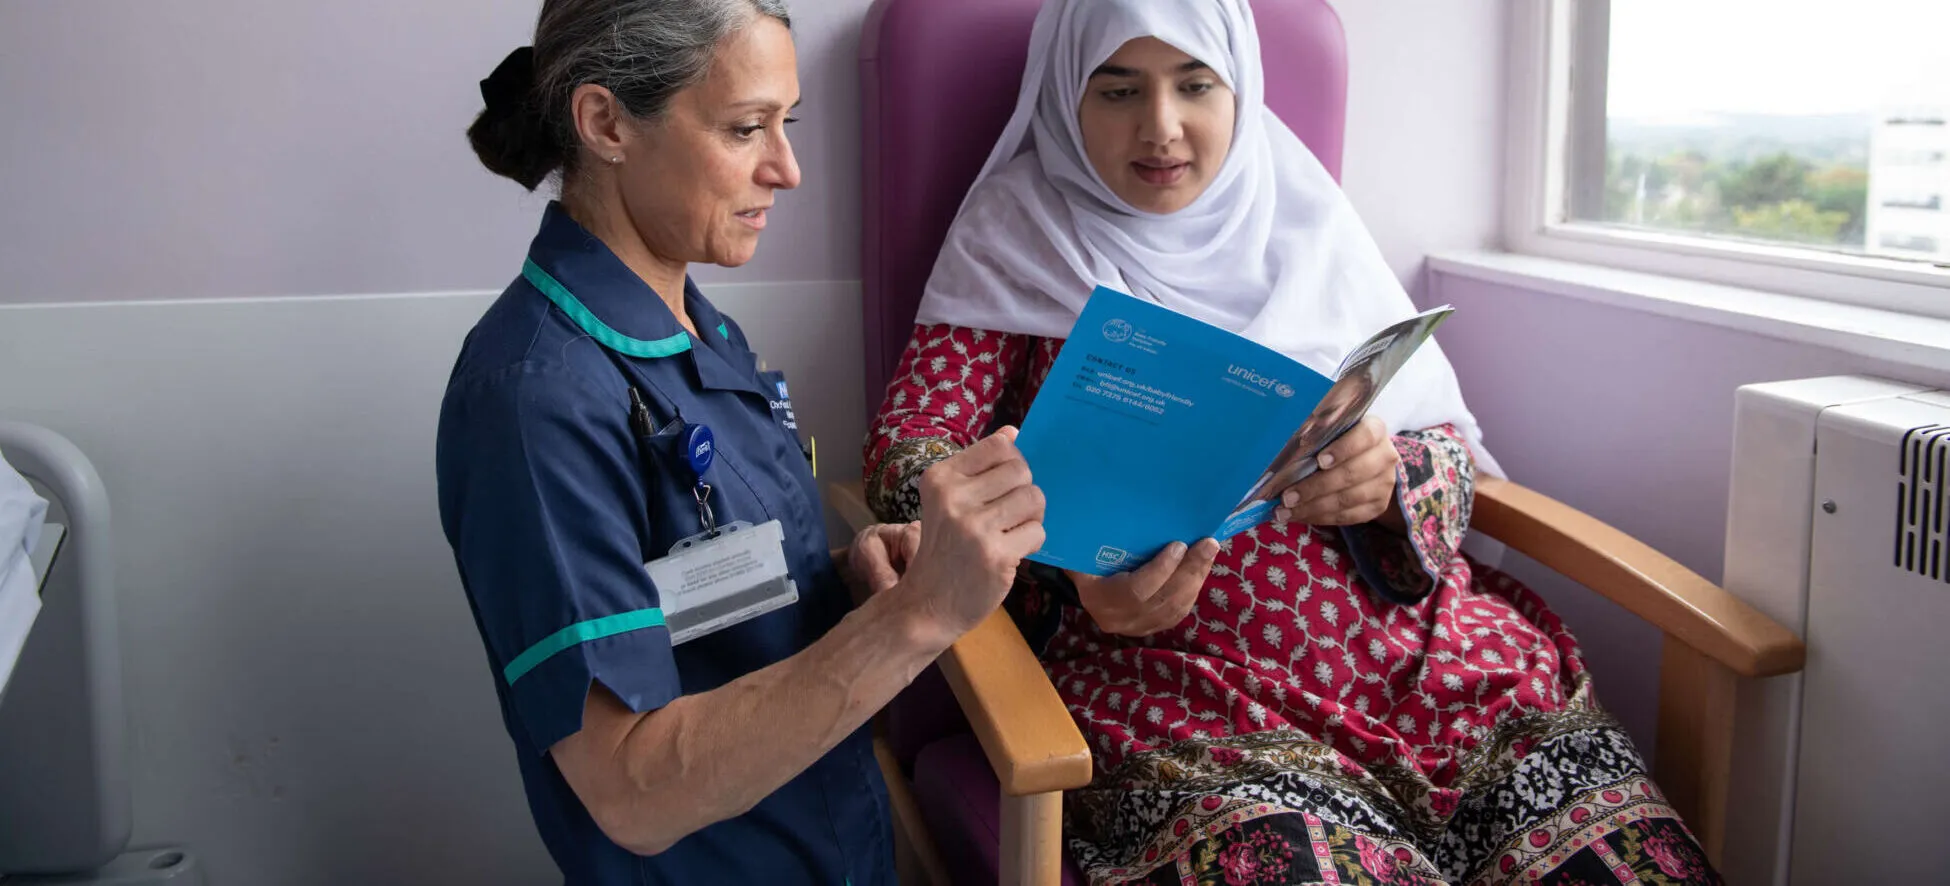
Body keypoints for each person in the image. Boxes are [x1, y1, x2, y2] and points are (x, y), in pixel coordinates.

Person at [863, 0, 1719, 883]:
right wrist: (1060, 567)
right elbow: (909, 450)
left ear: (1240, 89)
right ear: (1065, 98)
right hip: (1182, 695)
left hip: (1433, 665)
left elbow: (1450, 452)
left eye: (1196, 85)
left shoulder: (1303, 215)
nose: (1162, 127)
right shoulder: (1019, 230)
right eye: (1118, 91)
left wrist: (1390, 479)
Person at [435, 2, 1047, 883]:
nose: (787, 169)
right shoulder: (533, 400)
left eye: (786, 123)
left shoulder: (698, 332)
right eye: (745, 127)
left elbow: (697, 602)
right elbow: (632, 790)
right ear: (606, 123)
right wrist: (919, 617)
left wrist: (849, 584)